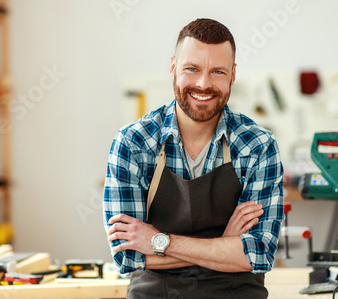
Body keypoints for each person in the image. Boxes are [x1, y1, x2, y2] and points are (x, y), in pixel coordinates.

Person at [103, 18, 284, 298]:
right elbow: (128, 258)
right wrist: (224, 243)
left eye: (218, 72)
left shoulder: (257, 146)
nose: (203, 84)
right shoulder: (132, 143)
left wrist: (157, 241)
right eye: (192, 69)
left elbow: (257, 254)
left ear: (233, 75)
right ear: (173, 67)